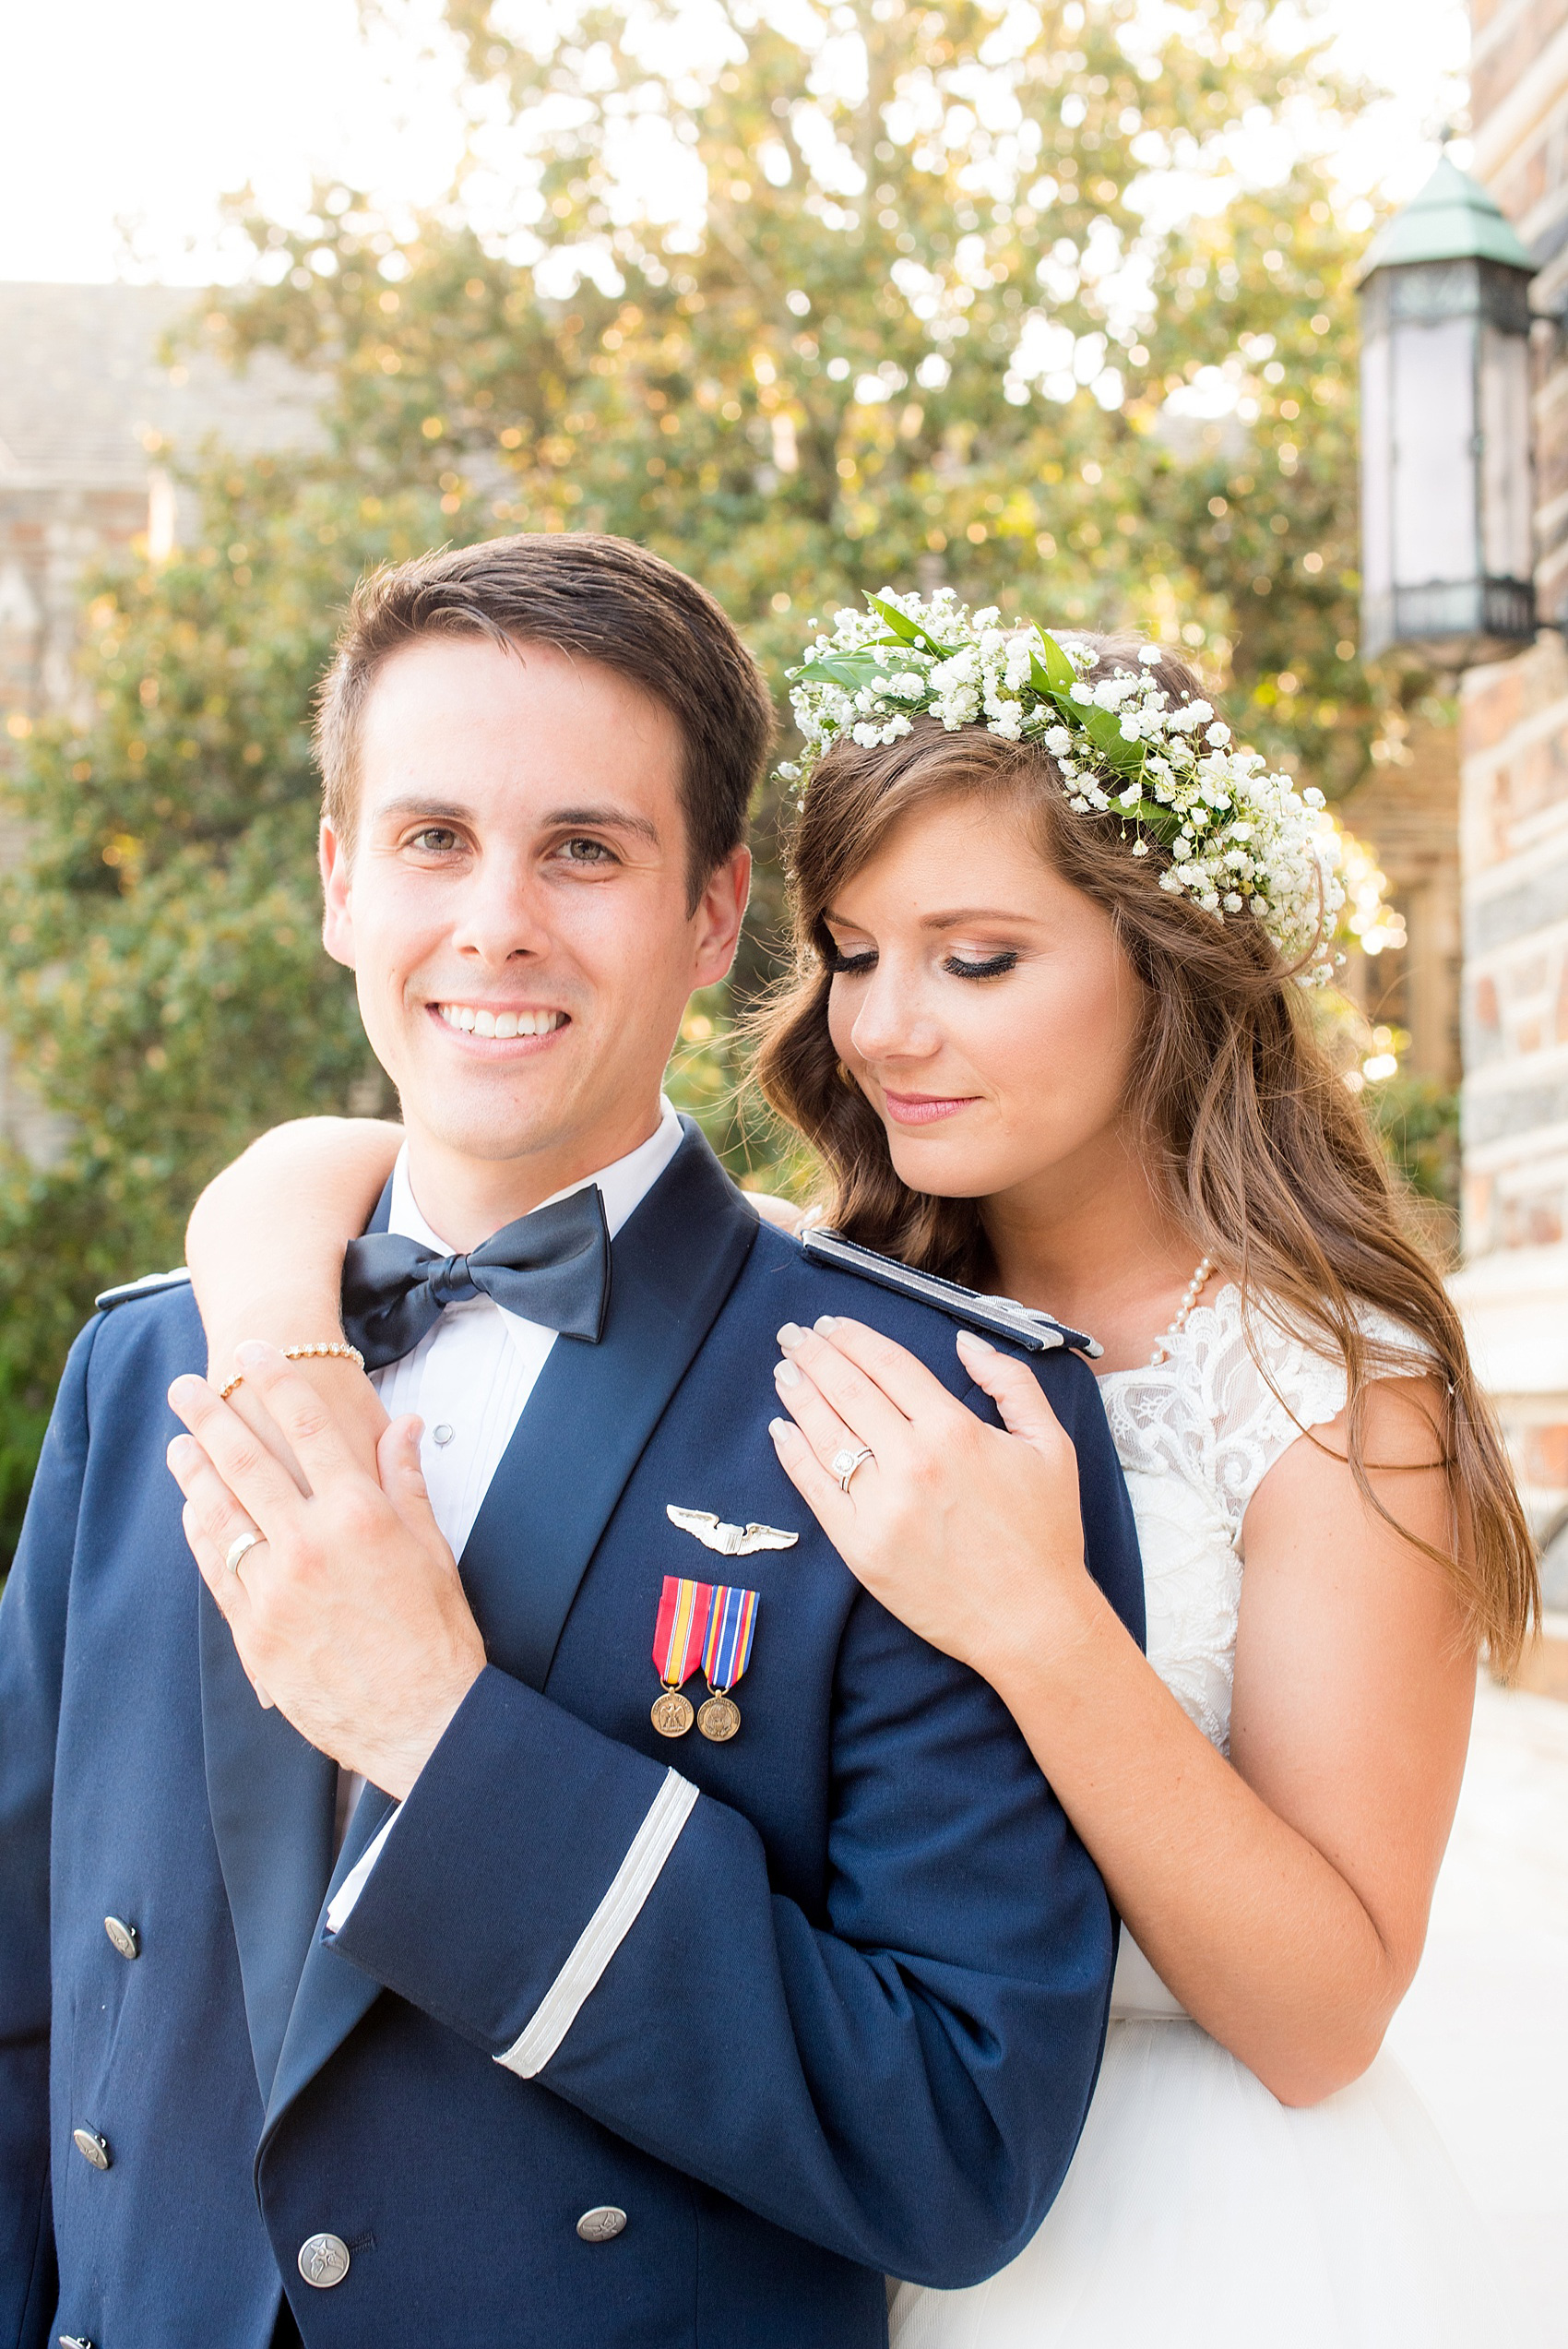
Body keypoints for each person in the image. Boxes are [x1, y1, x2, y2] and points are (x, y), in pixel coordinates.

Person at [185, 586, 1540, 2348]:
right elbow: (381, 1165)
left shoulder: (1331, 1387)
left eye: (978, 960)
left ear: (1171, 954)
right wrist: (277, 1318)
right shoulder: (830, 1308)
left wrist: (1039, 1625)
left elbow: (1324, 2014)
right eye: (853, 953)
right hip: (784, 2200)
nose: (887, 1029)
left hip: (1177, 2222)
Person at [0, 541, 1146, 2349]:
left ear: (713, 914)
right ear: (336, 880)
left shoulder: (937, 1412)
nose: (496, 921)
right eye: (432, 838)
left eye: (585, 850)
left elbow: (956, 2139)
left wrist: (443, 1748)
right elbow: (21, 2002)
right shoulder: (143, 1365)